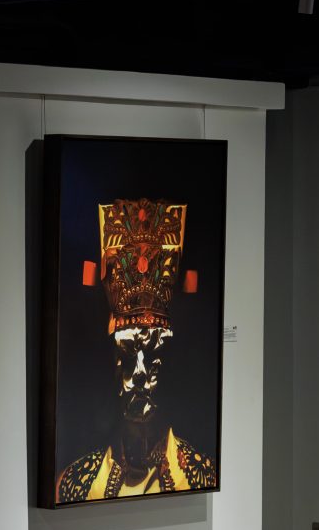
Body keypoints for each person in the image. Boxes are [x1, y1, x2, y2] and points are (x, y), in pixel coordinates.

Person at [54, 198, 219, 501]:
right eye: (129, 354)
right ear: (112, 360)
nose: (140, 373)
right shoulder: (76, 484)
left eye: (153, 355)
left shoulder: (202, 476)